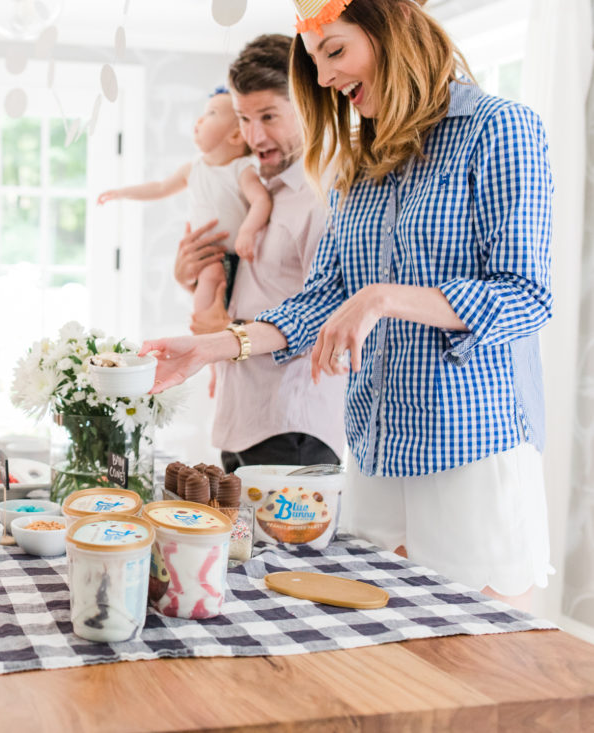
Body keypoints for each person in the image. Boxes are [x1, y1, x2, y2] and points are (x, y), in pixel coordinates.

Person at [143, 0, 553, 609]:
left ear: (394, 30)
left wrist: (383, 298)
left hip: (470, 447)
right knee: (378, 654)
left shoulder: (500, 128)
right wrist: (216, 345)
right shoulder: (358, 164)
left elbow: (526, 295)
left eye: (336, 51)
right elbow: (321, 301)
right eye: (316, 62)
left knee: (472, 658)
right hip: (378, 448)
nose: (328, 77)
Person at [169, 34, 347, 473]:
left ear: (308, 104)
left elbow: (329, 318)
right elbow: (253, 290)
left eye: (268, 116)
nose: (253, 136)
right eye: (244, 118)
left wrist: (225, 334)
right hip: (240, 417)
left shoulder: (324, 198)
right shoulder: (256, 191)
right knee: (239, 544)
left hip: (292, 426)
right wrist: (186, 277)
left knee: (282, 547)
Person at [98, 87, 273, 314]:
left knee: (228, 293)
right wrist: (122, 193)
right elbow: (160, 188)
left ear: (236, 135)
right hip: (210, 255)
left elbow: (261, 201)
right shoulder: (194, 167)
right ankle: (203, 329)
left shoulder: (241, 169)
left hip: (240, 254)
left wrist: (247, 231)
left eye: (212, 113)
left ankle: (210, 331)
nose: (200, 119)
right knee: (211, 277)